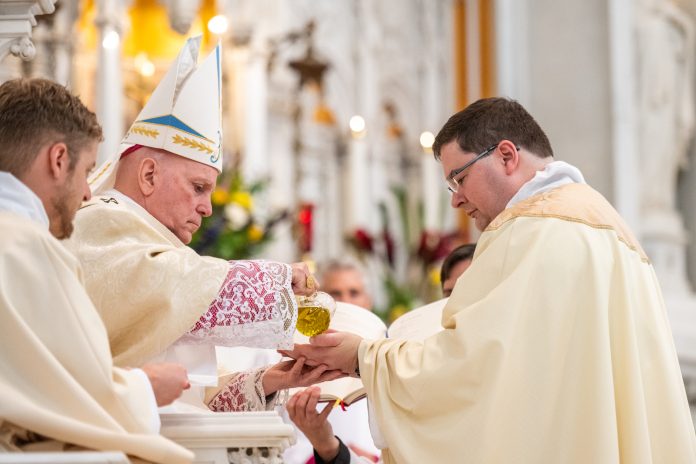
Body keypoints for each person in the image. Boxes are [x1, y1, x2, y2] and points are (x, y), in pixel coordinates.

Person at [282, 97, 696, 462]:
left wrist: (363, 357)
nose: (457, 199)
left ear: (506, 155)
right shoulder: (610, 228)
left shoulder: (528, 233)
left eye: (459, 178)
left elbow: (470, 370)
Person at [65, 37, 340, 413]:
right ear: (148, 175)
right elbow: (166, 285)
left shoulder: (165, 252)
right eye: (198, 188)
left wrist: (273, 379)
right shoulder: (99, 221)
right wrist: (276, 280)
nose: (208, 208)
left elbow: (196, 397)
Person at [0, 78, 193, 463]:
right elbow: (69, 392)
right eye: (87, 170)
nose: (88, 192)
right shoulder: (26, 246)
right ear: (58, 160)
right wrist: (145, 387)